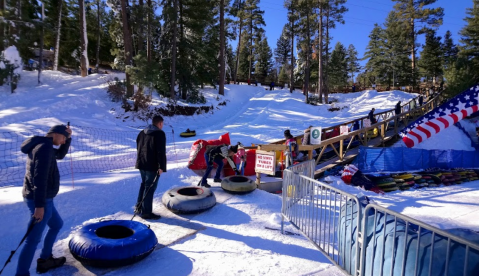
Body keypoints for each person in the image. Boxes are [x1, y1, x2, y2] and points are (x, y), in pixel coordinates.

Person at [16, 124, 72, 276]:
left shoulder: (42, 144)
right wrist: (39, 206)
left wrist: (68, 139)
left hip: (43, 198)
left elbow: (59, 155)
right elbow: (39, 179)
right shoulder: (44, 149)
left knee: (56, 224)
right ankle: (21, 274)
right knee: (32, 240)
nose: (62, 142)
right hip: (40, 200)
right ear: (55, 134)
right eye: (63, 138)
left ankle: (45, 260)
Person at [135, 115, 167, 220]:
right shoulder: (159, 134)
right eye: (162, 124)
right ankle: (146, 212)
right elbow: (160, 151)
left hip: (141, 163)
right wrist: (161, 166)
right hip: (152, 166)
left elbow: (138, 146)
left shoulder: (141, 133)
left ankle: (138, 207)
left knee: (144, 185)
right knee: (150, 188)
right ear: (160, 123)